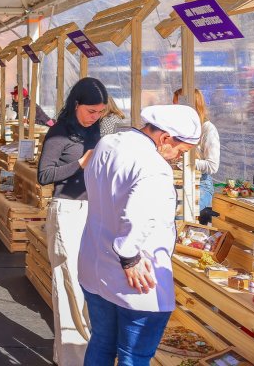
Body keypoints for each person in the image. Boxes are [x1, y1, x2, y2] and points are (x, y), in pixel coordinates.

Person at [79, 105, 201, 366]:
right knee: (134, 356)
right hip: (135, 279)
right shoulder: (154, 166)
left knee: (101, 342)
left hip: (94, 264)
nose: (178, 158)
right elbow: (139, 216)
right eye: (181, 151)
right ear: (165, 138)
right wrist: (129, 257)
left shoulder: (107, 143)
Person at [37, 77, 108, 365]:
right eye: (91, 111)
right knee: (70, 284)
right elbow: (44, 175)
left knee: (90, 284)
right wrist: (80, 163)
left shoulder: (99, 130)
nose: (95, 117)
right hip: (66, 210)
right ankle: (73, 357)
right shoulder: (59, 132)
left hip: (94, 211)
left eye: (100, 112)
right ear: (76, 104)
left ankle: (75, 353)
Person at [172, 88, 220, 213]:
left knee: (181, 212)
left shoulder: (208, 129)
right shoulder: (177, 128)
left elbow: (212, 166)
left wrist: (186, 163)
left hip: (201, 183)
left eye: (178, 106)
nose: (174, 110)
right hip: (176, 181)